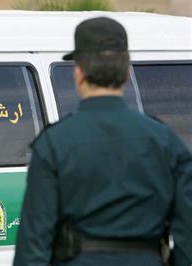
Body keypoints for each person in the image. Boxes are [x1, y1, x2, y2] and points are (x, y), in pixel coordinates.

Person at [14, 17, 192, 266]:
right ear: (127, 73)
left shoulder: (53, 144)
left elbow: (33, 247)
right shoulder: (167, 142)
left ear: (78, 74)